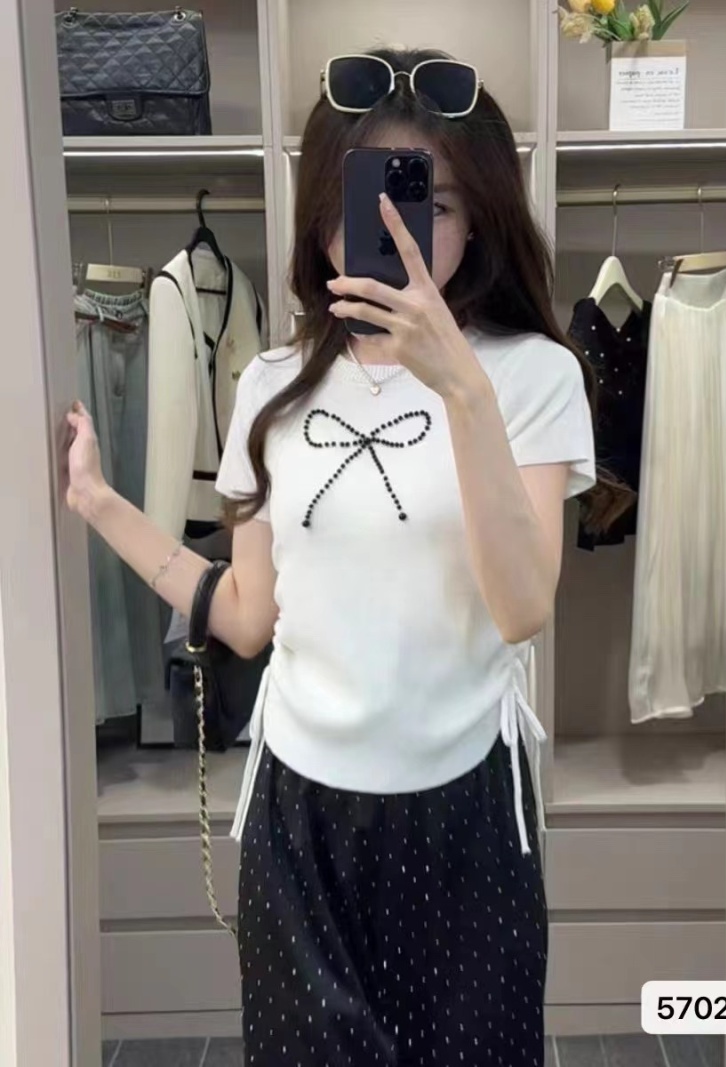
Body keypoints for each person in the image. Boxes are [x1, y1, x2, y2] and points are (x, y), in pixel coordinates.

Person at [65, 47, 597, 1067]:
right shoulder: (269, 384)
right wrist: (96, 500)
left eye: (430, 201)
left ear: (476, 218)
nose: (395, 227)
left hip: (466, 811)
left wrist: (461, 390)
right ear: (322, 216)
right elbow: (247, 615)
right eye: (368, 199)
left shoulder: (531, 377)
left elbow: (523, 606)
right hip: (299, 815)